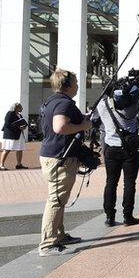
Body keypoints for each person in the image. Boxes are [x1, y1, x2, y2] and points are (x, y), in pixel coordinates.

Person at [38, 69, 90, 256]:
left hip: (52, 154)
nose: (77, 85)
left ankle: (58, 234)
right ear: (67, 85)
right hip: (60, 157)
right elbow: (60, 127)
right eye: (75, 82)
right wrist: (83, 126)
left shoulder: (52, 101)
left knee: (60, 198)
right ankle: (48, 244)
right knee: (56, 199)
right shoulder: (63, 103)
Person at [94, 76, 139, 226]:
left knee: (111, 182)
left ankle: (109, 216)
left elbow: (96, 116)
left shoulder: (103, 105)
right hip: (130, 149)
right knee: (129, 183)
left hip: (110, 148)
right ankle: (128, 216)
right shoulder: (133, 104)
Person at [0, 102, 28, 170]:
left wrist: (23, 126)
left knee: (20, 149)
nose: (22, 108)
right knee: (7, 149)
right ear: (16, 108)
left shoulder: (19, 115)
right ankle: (1, 165)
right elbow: (7, 124)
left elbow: (21, 122)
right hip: (10, 135)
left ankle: (19, 164)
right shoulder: (10, 113)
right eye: (20, 107)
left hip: (19, 134)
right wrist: (18, 127)